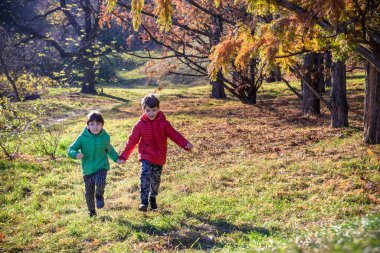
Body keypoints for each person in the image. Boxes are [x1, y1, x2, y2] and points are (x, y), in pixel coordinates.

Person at [118, 94, 193, 211]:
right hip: (145, 154)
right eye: (148, 110)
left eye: (154, 110)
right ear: (144, 110)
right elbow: (132, 141)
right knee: (145, 174)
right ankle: (143, 202)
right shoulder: (140, 125)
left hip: (159, 156)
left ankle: (152, 197)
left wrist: (185, 144)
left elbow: (174, 135)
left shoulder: (164, 124)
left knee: (156, 179)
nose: (151, 113)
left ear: (158, 109)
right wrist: (123, 156)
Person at [67, 110, 123, 217]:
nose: (95, 127)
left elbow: (110, 150)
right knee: (88, 193)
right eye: (92, 124)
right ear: (87, 125)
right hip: (87, 170)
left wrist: (117, 159)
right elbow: (71, 149)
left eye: (98, 124)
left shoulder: (105, 137)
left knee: (100, 181)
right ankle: (92, 212)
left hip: (101, 166)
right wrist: (75, 154)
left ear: (102, 125)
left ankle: (99, 195)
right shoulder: (82, 138)